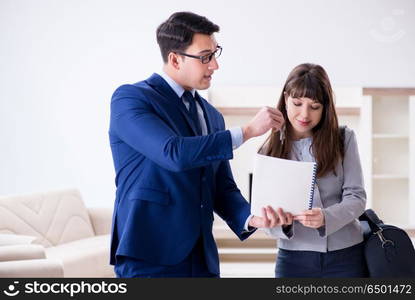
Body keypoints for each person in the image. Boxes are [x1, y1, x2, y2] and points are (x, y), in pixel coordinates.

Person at [108, 11, 284, 278]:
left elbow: (221, 187)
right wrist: (247, 131)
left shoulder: (212, 116)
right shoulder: (131, 99)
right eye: (205, 57)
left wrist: (251, 218)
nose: (214, 66)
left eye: (215, 54)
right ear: (175, 59)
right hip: (150, 256)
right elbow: (173, 153)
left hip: (202, 259)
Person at [259, 63, 367, 278]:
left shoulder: (343, 139)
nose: (304, 114)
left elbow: (356, 197)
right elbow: (263, 213)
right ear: (286, 98)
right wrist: (282, 223)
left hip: (346, 255)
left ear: (325, 107)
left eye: (315, 106)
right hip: (293, 259)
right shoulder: (268, 149)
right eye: (297, 103)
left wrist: (327, 217)